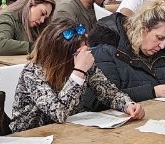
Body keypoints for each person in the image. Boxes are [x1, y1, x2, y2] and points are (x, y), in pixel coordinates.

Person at [10, 19, 144, 131]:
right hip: (31, 135)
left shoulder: (84, 64)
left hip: (67, 131)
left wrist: (128, 105)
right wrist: (79, 72)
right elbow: (59, 113)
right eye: (77, 53)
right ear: (60, 55)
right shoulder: (33, 72)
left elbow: (109, 92)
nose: (84, 55)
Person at [92, 1, 165, 102]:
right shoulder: (106, 51)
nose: (162, 46)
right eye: (159, 38)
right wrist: (152, 92)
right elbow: (101, 98)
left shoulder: (164, 52)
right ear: (142, 30)